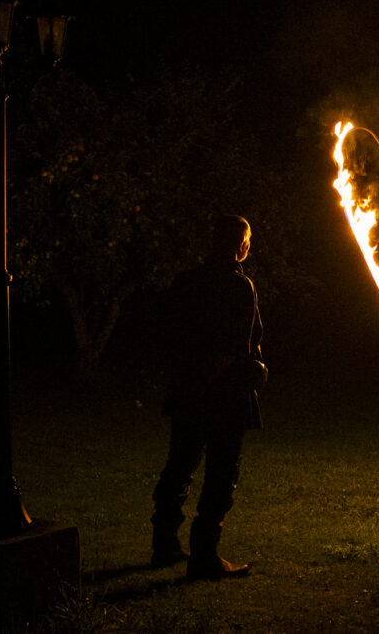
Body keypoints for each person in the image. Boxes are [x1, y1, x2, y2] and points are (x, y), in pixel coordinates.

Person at [150, 215, 266, 578]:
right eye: (247, 240)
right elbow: (230, 347)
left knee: (179, 466)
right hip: (223, 395)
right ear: (240, 245)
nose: (248, 246)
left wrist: (187, 384)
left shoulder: (186, 280)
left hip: (189, 388)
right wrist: (207, 381)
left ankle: (164, 544)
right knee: (220, 473)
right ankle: (204, 556)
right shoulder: (238, 285)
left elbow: (167, 333)